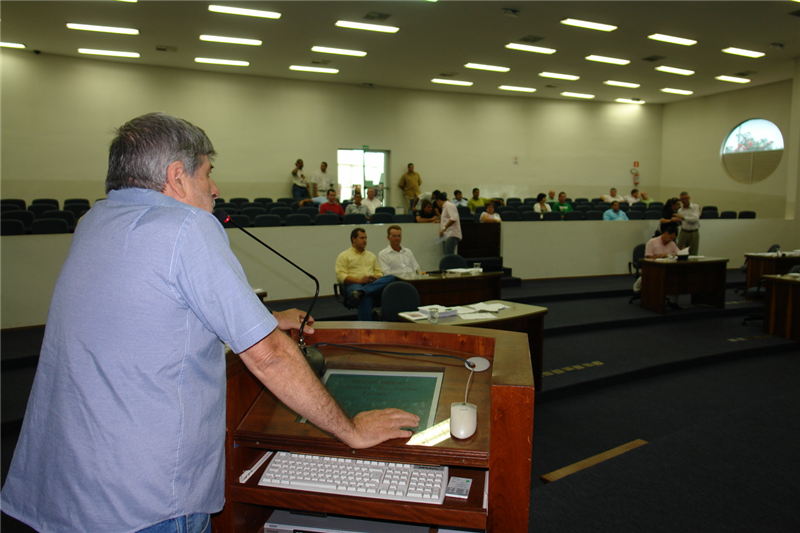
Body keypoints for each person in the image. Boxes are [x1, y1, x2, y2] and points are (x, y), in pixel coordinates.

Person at [0, 113, 418, 533]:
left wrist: (265, 318)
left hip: (63, 484)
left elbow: (148, 311)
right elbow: (270, 356)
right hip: (145, 503)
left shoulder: (94, 222)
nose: (215, 189)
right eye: (207, 173)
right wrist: (352, 430)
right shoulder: (187, 226)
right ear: (177, 176)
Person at [335, 228, 396, 321]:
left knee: (392, 277)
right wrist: (359, 280)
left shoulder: (370, 255)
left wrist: (375, 277)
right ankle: (366, 330)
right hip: (354, 285)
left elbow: (379, 272)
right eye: (362, 238)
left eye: (366, 238)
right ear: (353, 239)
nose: (365, 240)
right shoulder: (344, 255)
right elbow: (340, 276)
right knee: (365, 298)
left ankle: (363, 291)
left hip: (371, 284)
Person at [635, 225, 683, 297]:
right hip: (653, 267)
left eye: (673, 239)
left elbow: (677, 253)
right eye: (671, 237)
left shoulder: (672, 244)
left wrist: (682, 253)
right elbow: (647, 256)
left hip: (667, 268)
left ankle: (673, 301)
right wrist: (660, 256)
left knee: (676, 278)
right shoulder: (652, 242)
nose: (671, 240)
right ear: (666, 233)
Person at [677, 191, 701, 255]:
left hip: (694, 232)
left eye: (686, 198)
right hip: (683, 232)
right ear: (680, 200)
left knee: (693, 252)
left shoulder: (695, 207)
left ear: (689, 198)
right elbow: (681, 222)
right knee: (680, 251)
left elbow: (695, 219)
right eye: (683, 199)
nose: (685, 200)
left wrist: (683, 218)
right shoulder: (680, 210)